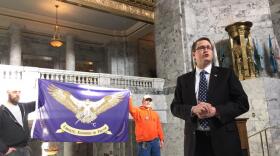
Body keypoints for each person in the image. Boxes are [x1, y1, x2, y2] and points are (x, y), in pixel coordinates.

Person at [170, 37, 249, 156]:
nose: (206, 50)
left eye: (209, 47)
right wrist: (192, 109)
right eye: (201, 47)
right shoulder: (183, 80)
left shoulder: (226, 74)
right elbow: (175, 107)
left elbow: (242, 103)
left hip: (224, 140)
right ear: (193, 54)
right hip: (195, 142)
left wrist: (216, 111)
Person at [0, 83, 35, 156]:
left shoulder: (24, 107)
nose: (17, 94)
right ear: (8, 92)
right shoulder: (1, 111)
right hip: (11, 152)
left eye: (19, 92)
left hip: (25, 149)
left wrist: (44, 88)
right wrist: (4, 149)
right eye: (15, 92)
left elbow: (39, 103)